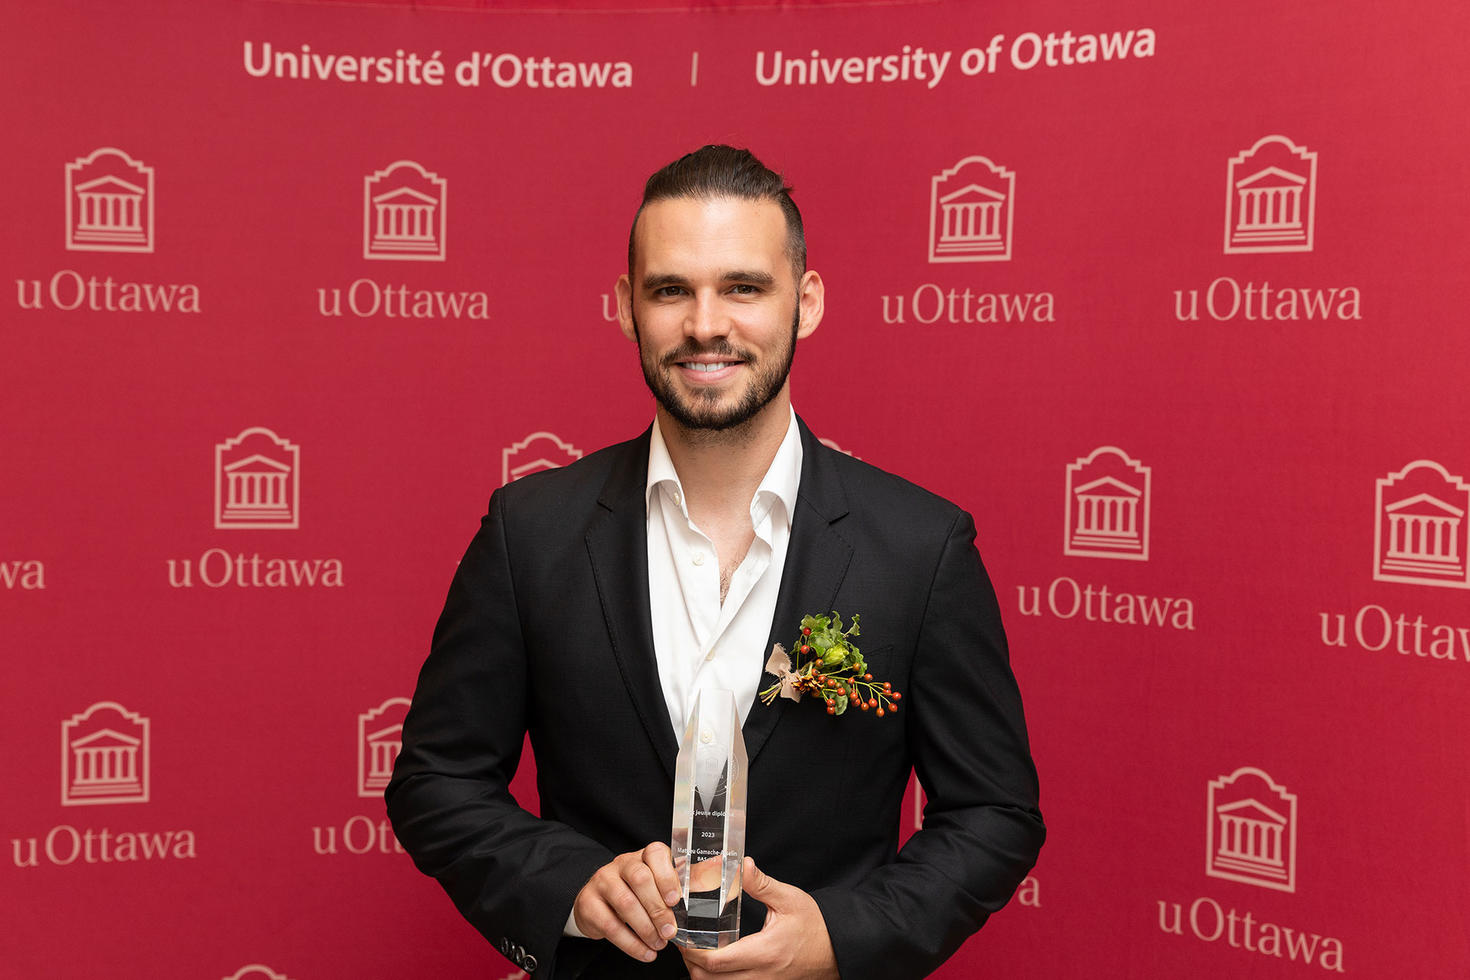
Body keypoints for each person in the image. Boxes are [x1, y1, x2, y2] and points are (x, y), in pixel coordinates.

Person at [386, 145, 1043, 980]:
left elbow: (994, 811)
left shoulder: (921, 546)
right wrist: (569, 886)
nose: (705, 324)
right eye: (671, 290)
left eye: (743, 287)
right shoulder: (530, 532)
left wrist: (844, 937)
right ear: (627, 307)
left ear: (805, 303)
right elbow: (435, 781)